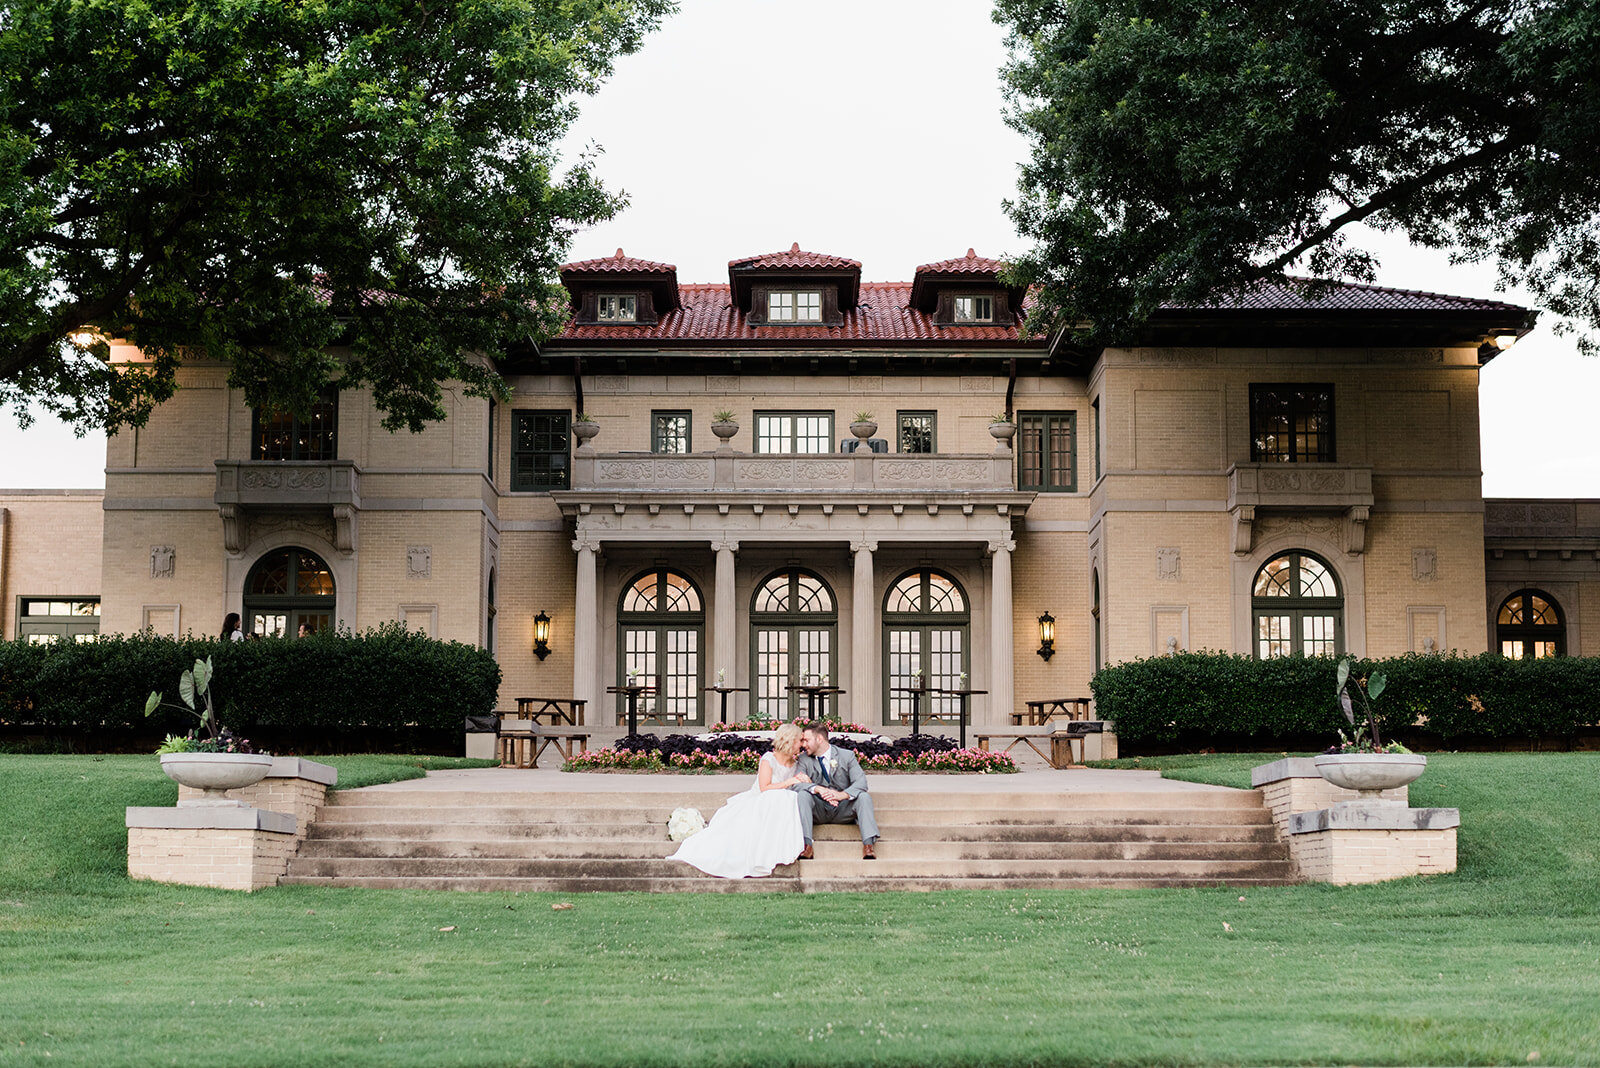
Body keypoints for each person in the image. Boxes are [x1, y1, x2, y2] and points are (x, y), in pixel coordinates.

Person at [669, 723, 809, 878]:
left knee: (787, 798)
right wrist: (790, 782)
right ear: (790, 741)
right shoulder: (769, 759)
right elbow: (764, 788)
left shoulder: (796, 764)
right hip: (760, 801)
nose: (802, 745)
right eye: (800, 741)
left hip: (778, 806)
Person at [792, 722, 879, 859]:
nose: (803, 745)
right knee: (802, 795)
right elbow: (796, 784)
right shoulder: (804, 759)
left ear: (819, 739)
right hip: (818, 808)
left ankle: (868, 846)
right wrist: (818, 789)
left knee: (864, 797)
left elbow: (861, 782)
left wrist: (841, 795)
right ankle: (807, 846)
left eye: (806, 740)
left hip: (842, 808)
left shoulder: (847, 756)